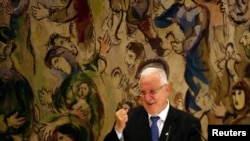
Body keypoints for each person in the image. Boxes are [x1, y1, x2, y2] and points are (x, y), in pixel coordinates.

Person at [104, 58, 202, 141]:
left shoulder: (189, 124)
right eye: (143, 92)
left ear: (167, 89)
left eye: (152, 91)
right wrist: (118, 129)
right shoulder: (129, 119)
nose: (147, 98)